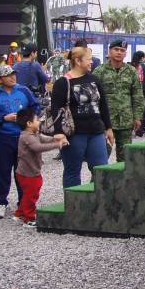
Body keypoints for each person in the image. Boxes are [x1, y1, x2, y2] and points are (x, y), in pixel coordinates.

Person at [52, 46, 113, 189]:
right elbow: (56, 109)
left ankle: (100, 203)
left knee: (101, 170)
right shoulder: (63, 82)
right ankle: (72, 205)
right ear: (78, 61)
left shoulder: (94, 79)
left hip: (96, 132)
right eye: (89, 59)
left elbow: (103, 105)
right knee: (73, 171)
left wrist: (108, 128)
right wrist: (59, 132)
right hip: (74, 134)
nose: (92, 62)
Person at [0, 64, 39, 219]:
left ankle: (23, 202)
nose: (13, 77)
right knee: (3, 170)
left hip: (23, 137)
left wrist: (25, 118)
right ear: (0, 79)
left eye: (14, 74)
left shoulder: (24, 90)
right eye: (8, 75)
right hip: (4, 137)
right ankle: (1, 202)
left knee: (22, 170)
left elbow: (36, 107)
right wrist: (3, 118)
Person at [13, 108, 67, 228]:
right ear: (29, 123)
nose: (40, 122)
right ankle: (29, 218)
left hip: (31, 171)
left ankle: (19, 213)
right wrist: (57, 145)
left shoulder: (34, 133)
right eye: (37, 120)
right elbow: (37, 147)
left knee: (29, 193)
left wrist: (54, 138)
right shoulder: (26, 137)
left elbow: (43, 138)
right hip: (27, 173)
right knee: (31, 195)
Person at [93, 38, 144, 162]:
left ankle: (123, 181)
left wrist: (137, 117)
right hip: (106, 122)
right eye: (116, 49)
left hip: (126, 121)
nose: (119, 52)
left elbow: (137, 95)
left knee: (125, 159)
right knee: (101, 158)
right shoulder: (99, 71)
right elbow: (93, 97)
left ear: (126, 53)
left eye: (122, 50)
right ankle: (98, 181)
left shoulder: (131, 71)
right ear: (109, 51)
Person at [11, 43, 51, 107]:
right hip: (32, 99)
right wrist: (45, 72)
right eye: (36, 53)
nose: (36, 54)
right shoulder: (35, 65)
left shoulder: (15, 66)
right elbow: (46, 79)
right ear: (32, 53)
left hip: (17, 100)